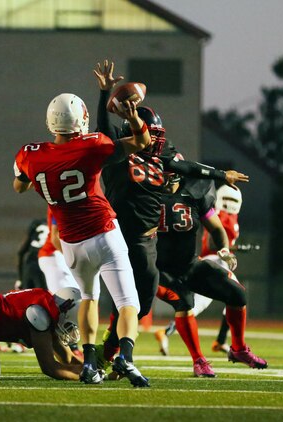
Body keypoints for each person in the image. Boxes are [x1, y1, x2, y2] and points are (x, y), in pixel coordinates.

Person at [93, 60, 249, 363]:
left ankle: (107, 353)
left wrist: (221, 175)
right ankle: (109, 355)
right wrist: (104, 93)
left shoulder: (160, 158)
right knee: (128, 301)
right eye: (151, 132)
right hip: (120, 239)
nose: (158, 138)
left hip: (145, 243)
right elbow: (104, 129)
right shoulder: (115, 155)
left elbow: (187, 166)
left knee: (140, 304)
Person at [13, 90, 151, 387]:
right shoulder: (93, 146)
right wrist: (133, 117)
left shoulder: (29, 154)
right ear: (81, 120)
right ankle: (125, 356)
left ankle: (89, 363)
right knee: (129, 303)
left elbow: (18, 186)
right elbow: (142, 142)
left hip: (72, 243)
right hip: (102, 232)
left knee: (89, 298)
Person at [154, 171, 267, 373]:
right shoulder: (147, 197)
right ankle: (198, 360)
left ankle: (238, 349)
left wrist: (225, 250)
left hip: (190, 263)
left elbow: (216, 230)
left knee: (237, 294)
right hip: (157, 268)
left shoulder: (195, 194)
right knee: (182, 301)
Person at [155, 185, 243, 355]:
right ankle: (165, 332)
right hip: (215, 261)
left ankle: (220, 341)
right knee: (203, 304)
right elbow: (212, 242)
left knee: (234, 298)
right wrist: (232, 248)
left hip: (216, 261)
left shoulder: (226, 215)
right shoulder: (223, 216)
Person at [38, 207, 81, 293]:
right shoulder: (60, 203)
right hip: (54, 255)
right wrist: (73, 260)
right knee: (67, 300)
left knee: (84, 299)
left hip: (62, 255)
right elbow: (55, 238)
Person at [16, 217, 48, 290]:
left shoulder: (36, 224)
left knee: (27, 297)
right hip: (44, 265)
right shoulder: (54, 225)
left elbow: (21, 252)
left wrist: (20, 278)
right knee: (44, 297)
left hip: (29, 265)